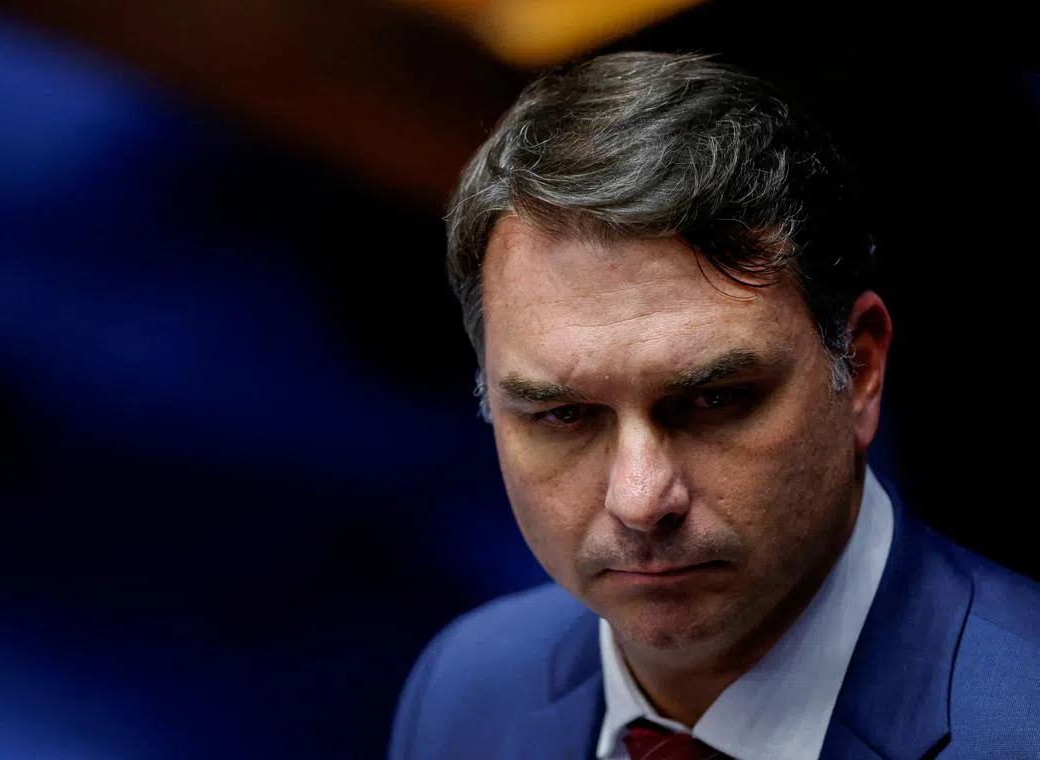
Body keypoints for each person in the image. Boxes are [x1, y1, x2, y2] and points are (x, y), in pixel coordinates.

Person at [388, 51, 1040, 760]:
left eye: (712, 399)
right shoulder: (464, 692)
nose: (640, 500)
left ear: (860, 368)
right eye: (565, 415)